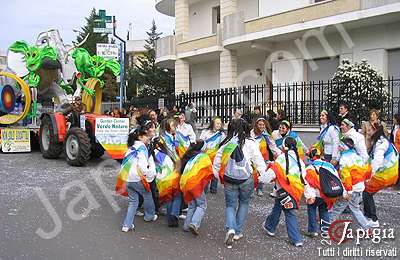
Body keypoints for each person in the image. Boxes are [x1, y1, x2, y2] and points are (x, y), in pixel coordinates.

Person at [213, 119, 267, 248]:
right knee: (244, 203)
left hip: (229, 179)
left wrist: (219, 177)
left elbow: (216, 163)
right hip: (246, 179)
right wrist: (263, 176)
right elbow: (259, 162)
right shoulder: (251, 143)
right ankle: (237, 232)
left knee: (230, 205)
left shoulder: (226, 143)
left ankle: (231, 228)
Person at [260, 136, 306, 247]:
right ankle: (270, 227)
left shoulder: (281, 159)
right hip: (295, 191)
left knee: (289, 213)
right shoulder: (300, 161)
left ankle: (296, 239)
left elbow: (273, 172)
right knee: (277, 207)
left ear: (284, 147)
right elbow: (303, 176)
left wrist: (261, 179)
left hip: (283, 190)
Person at [118, 127, 158, 232]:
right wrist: (150, 174)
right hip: (137, 178)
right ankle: (149, 216)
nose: (148, 138)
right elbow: (143, 166)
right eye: (146, 136)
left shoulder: (131, 147)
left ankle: (127, 225)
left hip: (128, 179)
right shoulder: (142, 147)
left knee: (133, 202)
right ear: (140, 137)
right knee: (148, 195)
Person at [330, 138, 371, 230]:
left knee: (337, 208)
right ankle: (366, 228)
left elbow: (346, 178)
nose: (338, 147)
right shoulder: (358, 157)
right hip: (360, 187)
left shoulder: (344, 160)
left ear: (344, 147)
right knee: (355, 209)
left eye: (340, 146)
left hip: (351, 189)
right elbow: (367, 171)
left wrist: (348, 191)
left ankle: (327, 225)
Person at [363, 123, 399, 227]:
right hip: (389, 173)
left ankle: (372, 219)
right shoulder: (381, 141)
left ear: (376, 130)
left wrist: (370, 175)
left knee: (367, 191)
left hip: (386, 174)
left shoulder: (381, 143)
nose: (368, 132)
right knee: (367, 192)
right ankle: (368, 215)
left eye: (370, 130)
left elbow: (377, 161)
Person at [180, 141, 213, 235]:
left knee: (191, 205)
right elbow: (210, 170)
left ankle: (186, 226)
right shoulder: (203, 157)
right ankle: (194, 224)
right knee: (202, 205)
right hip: (196, 184)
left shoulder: (192, 157)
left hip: (185, 183)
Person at [304, 149, 339, 237]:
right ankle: (326, 231)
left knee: (312, 210)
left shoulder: (310, 168)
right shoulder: (330, 166)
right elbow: (337, 179)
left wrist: (309, 196)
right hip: (327, 194)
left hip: (315, 194)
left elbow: (307, 183)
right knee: (324, 211)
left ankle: (313, 231)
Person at [156, 118, 182, 227]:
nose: (174, 127)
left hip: (173, 164)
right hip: (168, 166)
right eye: (172, 126)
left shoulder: (172, 136)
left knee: (172, 192)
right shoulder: (163, 138)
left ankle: (172, 215)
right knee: (175, 192)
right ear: (167, 127)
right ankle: (173, 215)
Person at [250, 117, 281, 196]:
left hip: (263, 156)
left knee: (262, 172)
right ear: (256, 125)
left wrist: (279, 153)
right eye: (260, 125)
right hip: (253, 156)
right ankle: (251, 189)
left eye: (263, 125)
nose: (261, 126)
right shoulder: (252, 133)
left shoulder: (266, 134)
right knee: (252, 172)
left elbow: (272, 145)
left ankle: (259, 188)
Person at [200, 117, 226, 194]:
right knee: (206, 172)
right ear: (213, 123)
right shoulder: (205, 131)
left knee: (215, 172)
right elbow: (201, 142)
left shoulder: (222, 134)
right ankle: (204, 189)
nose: (219, 125)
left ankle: (213, 189)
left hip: (215, 156)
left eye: (220, 124)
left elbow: (223, 145)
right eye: (217, 123)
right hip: (206, 155)